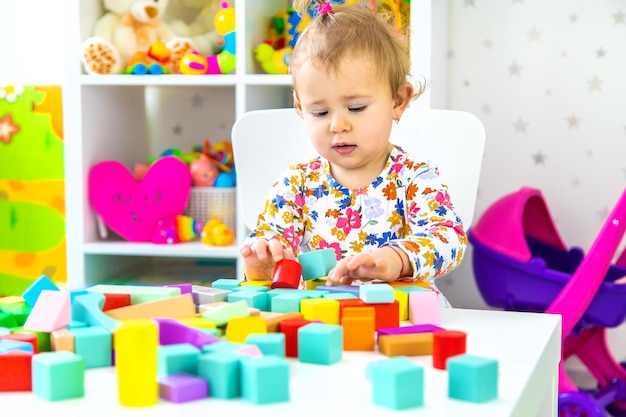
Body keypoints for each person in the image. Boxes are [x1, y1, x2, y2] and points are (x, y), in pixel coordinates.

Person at [239, 0, 467, 304]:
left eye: (356, 108)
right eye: (319, 113)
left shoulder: (414, 176)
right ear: (300, 109)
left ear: (398, 100)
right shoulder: (297, 184)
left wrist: (398, 258)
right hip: (322, 323)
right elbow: (271, 239)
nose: (338, 125)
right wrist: (262, 264)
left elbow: (449, 238)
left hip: (403, 318)